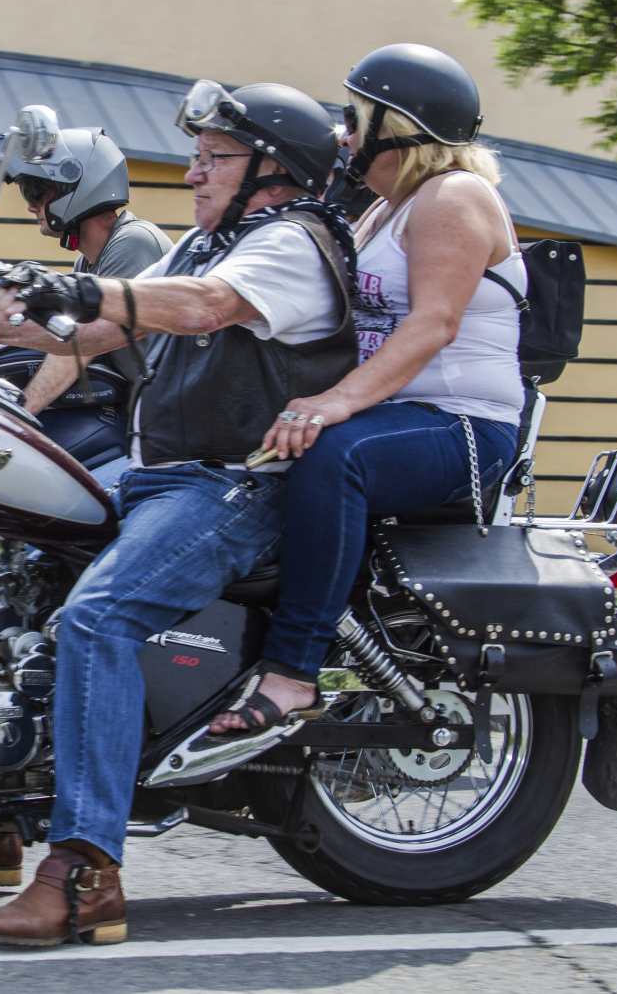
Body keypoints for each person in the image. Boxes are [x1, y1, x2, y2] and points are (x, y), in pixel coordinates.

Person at [0, 80, 357, 948]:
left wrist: (80, 290)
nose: (192, 173)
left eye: (215, 158)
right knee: (2, 583)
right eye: (197, 156)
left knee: (98, 618)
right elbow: (96, 333)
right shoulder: (213, 241)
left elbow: (202, 307)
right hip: (157, 478)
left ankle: (87, 872)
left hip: (230, 487)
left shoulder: (291, 243)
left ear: (274, 169)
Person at [207, 44, 527, 736]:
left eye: (354, 118)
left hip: (461, 424)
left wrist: (335, 403)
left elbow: (434, 323)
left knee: (335, 455)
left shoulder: (454, 196)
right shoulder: (384, 209)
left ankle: (292, 671)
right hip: (394, 415)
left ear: (397, 127)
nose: (343, 132)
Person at [0, 127, 171, 418]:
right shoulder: (88, 262)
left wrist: (16, 415)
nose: (31, 207)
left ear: (80, 188)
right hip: (141, 415)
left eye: (36, 192)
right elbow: (49, 327)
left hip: (168, 423)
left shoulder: (134, 242)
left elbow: (81, 343)